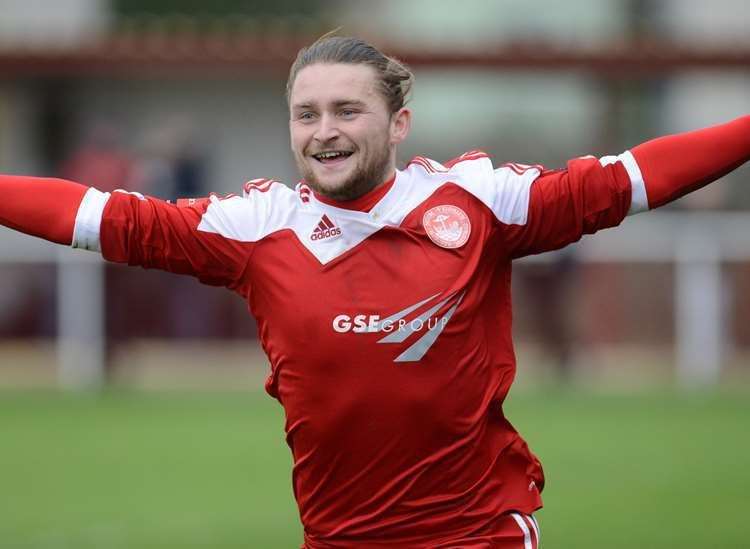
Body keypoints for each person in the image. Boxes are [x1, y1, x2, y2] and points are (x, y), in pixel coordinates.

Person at [1, 36, 749, 548]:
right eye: (307, 114)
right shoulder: (256, 225)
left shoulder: (476, 201)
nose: (324, 131)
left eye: (346, 111)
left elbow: (627, 181)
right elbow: (106, 218)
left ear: (399, 124)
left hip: (476, 532)